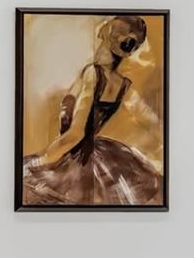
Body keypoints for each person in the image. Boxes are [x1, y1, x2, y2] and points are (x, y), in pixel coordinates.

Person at [21, 15, 164, 206]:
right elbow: (154, 124)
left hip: (72, 160)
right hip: (93, 160)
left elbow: (76, 134)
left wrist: (41, 161)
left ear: (104, 33)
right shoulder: (122, 85)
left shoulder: (92, 73)